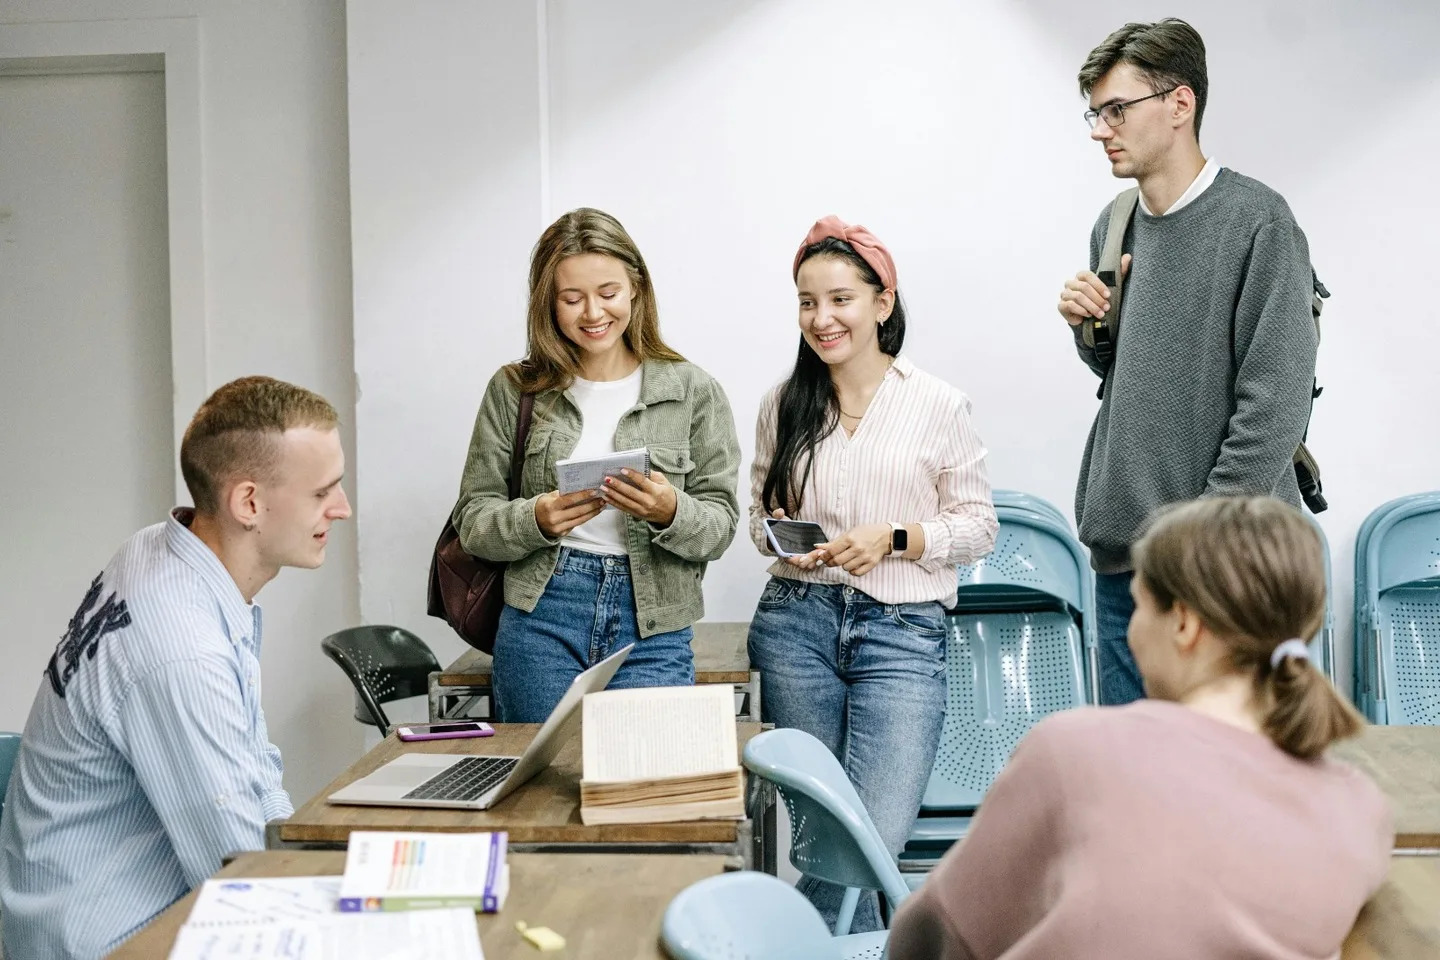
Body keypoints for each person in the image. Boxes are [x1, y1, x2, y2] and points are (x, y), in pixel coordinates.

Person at [887, 496, 1391, 960]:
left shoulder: (1076, 750)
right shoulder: (1361, 810)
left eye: (1139, 605)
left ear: (1183, 624)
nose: (1130, 629)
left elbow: (932, 937)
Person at [0, 376, 352, 960]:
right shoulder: (180, 649)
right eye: (323, 492)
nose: (341, 508)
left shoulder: (160, 548)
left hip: (101, 905)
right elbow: (242, 876)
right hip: (105, 937)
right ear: (248, 503)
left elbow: (253, 776)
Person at [1055, 19, 1320, 705]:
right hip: (1125, 568)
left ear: (1180, 104)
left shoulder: (1258, 222)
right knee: (1134, 791)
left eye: (1117, 109)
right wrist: (1091, 331)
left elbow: (1275, 407)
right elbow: (1132, 377)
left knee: (1234, 790)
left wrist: (1196, 545)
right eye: (1095, 111)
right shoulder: (1113, 224)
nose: (1099, 128)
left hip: (1224, 572)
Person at [747, 215, 998, 933]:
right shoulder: (784, 403)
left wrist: (895, 537)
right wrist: (785, 541)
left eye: (840, 299)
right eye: (806, 301)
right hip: (796, 626)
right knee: (822, 837)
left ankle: (792, 945)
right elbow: (757, 521)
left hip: (903, 634)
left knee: (868, 840)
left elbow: (978, 527)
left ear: (882, 303)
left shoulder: (939, 404)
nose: (821, 319)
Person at [453, 207, 741, 722]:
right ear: (548, 303)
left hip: (654, 622)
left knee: (642, 789)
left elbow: (721, 526)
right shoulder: (514, 391)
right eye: (571, 298)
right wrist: (536, 519)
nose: (592, 313)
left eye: (608, 293)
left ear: (636, 288)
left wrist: (670, 510)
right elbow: (473, 521)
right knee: (537, 792)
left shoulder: (693, 391)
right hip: (542, 615)